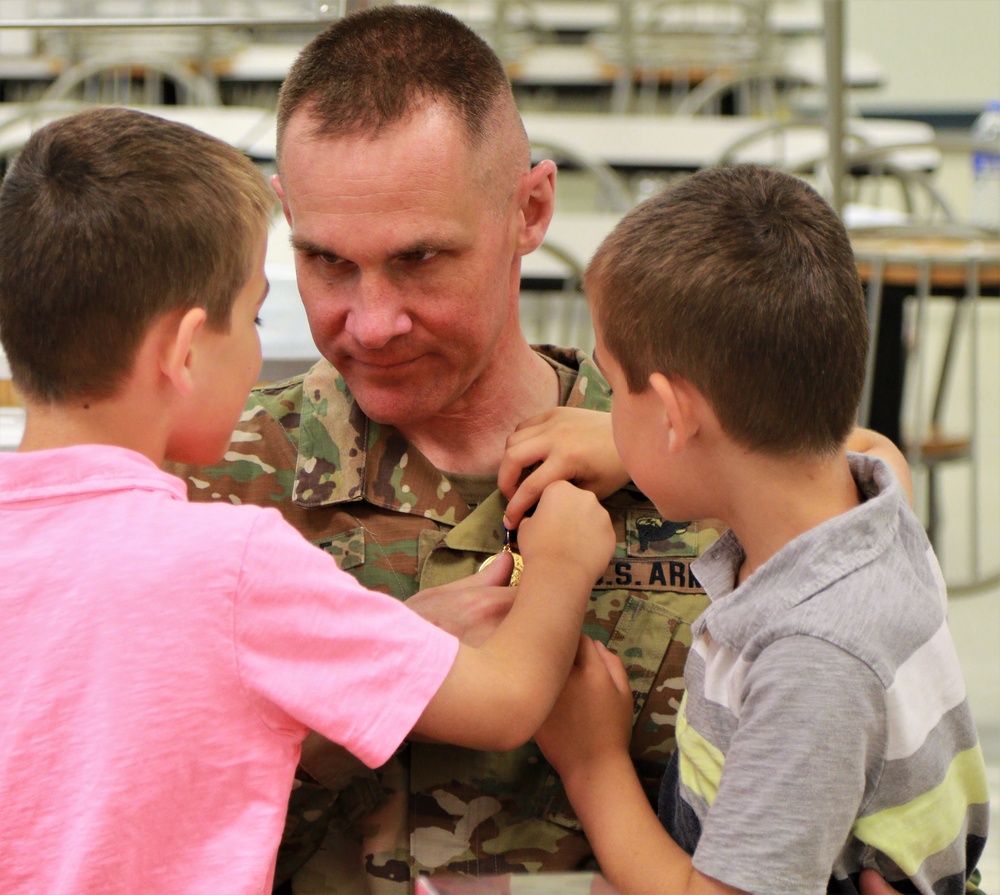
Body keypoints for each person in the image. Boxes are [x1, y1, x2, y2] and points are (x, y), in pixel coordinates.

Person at [173, 6, 914, 893]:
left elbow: (870, 818)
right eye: (327, 261)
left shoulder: (699, 469)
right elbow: (130, 839)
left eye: (419, 260)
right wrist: (351, 706)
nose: (370, 322)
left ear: (530, 210)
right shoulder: (209, 485)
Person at [0, 106, 617, 894]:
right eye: (255, 315)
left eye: (421, 257)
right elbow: (503, 702)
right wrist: (561, 563)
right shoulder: (233, 557)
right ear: (185, 351)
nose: (372, 320)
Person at [533, 165, 990, 895]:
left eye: (613, 388)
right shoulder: (876, 508)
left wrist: (594, 762)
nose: (604, 412)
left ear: (676, 416)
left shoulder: (813, 660)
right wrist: (631, 446)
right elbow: (872, 447)